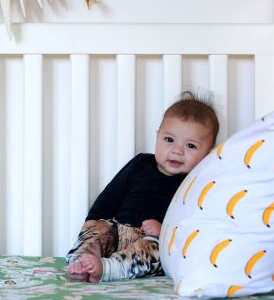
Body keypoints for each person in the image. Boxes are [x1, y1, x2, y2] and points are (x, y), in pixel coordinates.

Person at [66, 91, 219, 283]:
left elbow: (196, 227)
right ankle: (80, 262)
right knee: (100, 230)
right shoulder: (140, 164)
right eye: (169, 140)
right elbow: (111, 194)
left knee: (155, 251)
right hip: (118, 230)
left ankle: (109, 269)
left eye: (190, 146)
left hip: (153, 240)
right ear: (158, 137)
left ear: (208, 153)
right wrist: (93, 219)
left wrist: (165, 231)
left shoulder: (197, 184)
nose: (177, 150)